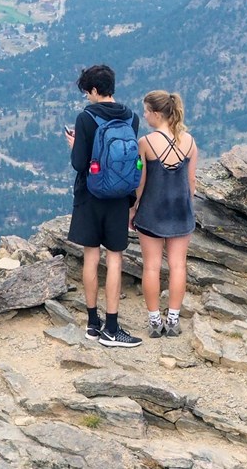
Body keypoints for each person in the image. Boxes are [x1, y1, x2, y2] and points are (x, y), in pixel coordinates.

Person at [65, 64, 143, 348]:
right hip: (120, 196)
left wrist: (74, 144)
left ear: (96, 90)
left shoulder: (85, 119)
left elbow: (79, 164)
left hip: (90, 196)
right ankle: (113, 326)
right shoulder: (131, 117)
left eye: (87, 92)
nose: (87, 97)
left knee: (90, 258)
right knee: (115, 259)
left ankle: (93, 324)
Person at [129, 90, 197, 338]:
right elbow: (191, 182)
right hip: (181, 211)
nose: (144, 115)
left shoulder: (145, 143)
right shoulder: (189, 142)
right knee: (178, 266)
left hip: (152, 212)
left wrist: (133, 210)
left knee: (151, 267)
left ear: (157, 114)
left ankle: (155, 321)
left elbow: (141, 182)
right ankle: (174, 320)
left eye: (146, 111)